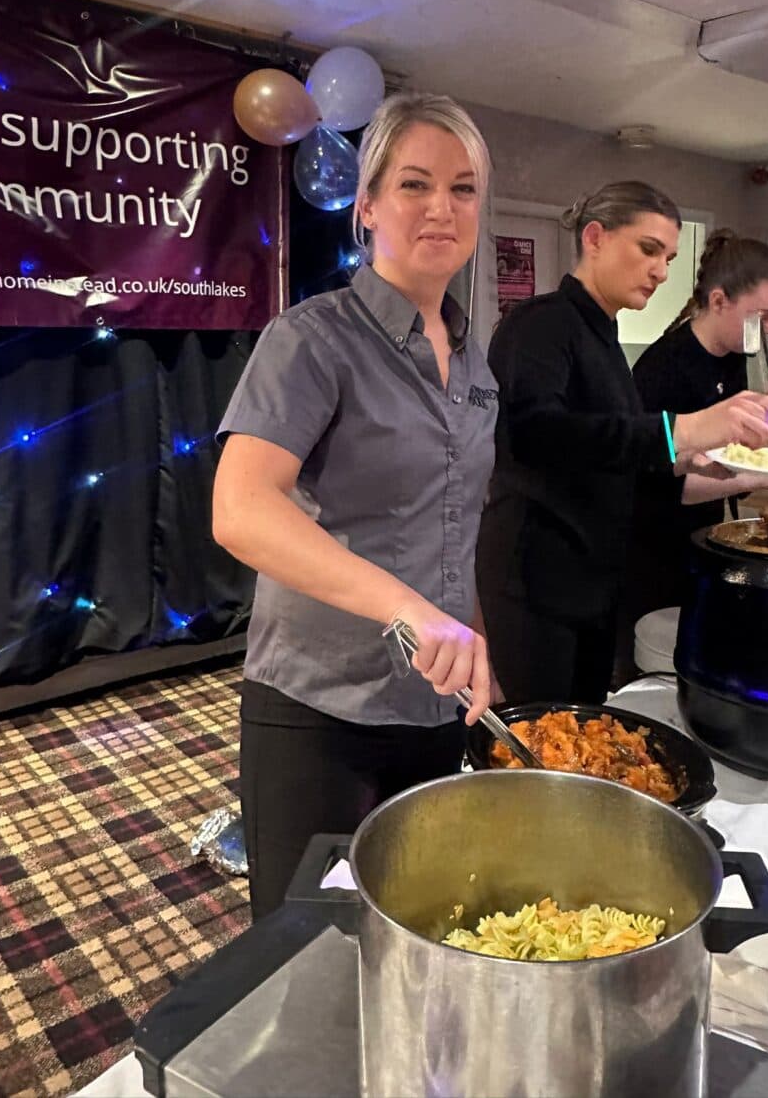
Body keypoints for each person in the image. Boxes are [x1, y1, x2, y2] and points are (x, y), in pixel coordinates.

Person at [213, 93, 497, 920]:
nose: (441, 207)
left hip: (433, 709)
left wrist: (473, 644)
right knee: (305, 945)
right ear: (367, 205)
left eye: (464, 188)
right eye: (414, 184)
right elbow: (240, 507)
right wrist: (408, 609)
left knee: (426, 925)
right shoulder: (312, 337)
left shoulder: (476, 362)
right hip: (317, 705)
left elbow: (456, 527)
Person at [475, 183, 768, 708]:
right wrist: (681, 430)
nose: (662, 272)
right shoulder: (539, 324)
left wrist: (696, 457)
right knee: (541, 744)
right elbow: (537, 435)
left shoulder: (605, 337)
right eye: (648, 250)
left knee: (590, 728)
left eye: (667, 257)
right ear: (594, 238)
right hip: (536, 582)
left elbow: (612, 452)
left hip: (594, 581)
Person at [627, 229, 768, 640]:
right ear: (719, 301)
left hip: (700, 539)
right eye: (764, 317)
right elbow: (665, 486)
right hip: (650, 554)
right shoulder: (663, 368)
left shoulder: (734, 359)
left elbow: (726, 452)